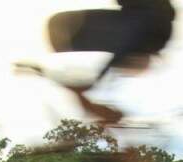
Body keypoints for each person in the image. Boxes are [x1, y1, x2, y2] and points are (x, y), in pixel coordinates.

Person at [45, 0, 176, 124]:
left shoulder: (145, 28)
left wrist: (90, 92)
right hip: (149, 25)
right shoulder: (146, 27)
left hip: (149, 25)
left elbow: (125, 45)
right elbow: (125, 46)